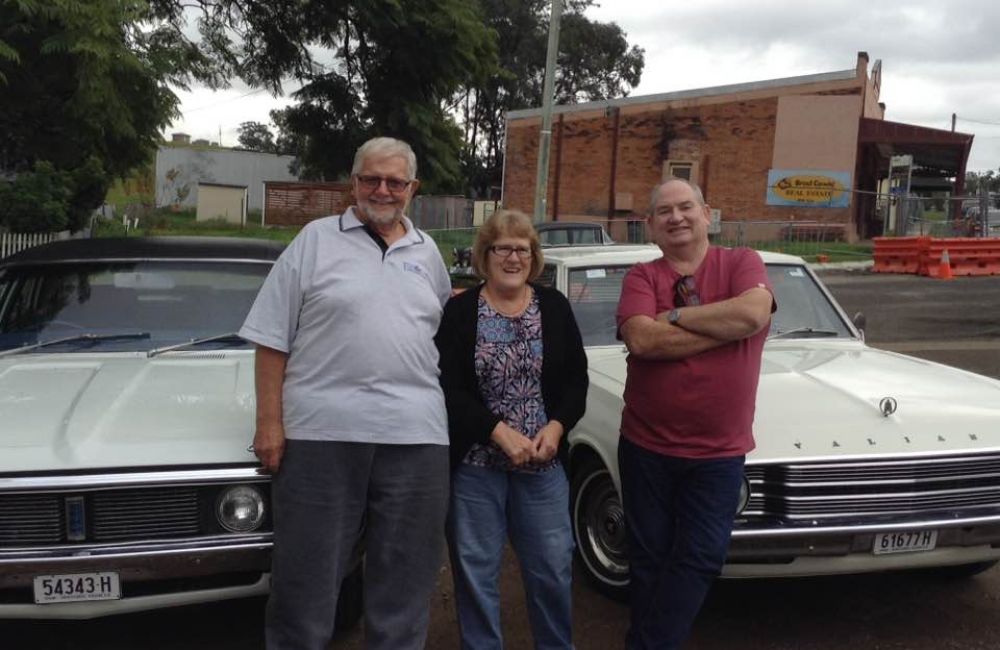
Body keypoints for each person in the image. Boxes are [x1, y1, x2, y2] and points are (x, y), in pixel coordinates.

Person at [239, 137, 453, 650]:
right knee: (306, 578)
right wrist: (269, 423)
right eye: (371, 179)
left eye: (395, 181)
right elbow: (271, 338)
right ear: (353, 183)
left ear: (413, 188)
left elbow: (441, 333)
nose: (382, 190)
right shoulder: (314, 240)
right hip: (321, 435)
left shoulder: (427, 252)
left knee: (405, 577)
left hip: (417, 437)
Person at [615, 178, 775, 649]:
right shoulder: (642, 277)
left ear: (707, 214)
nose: (676, 217)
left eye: (686, 207)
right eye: (664, 211)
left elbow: (752, 314)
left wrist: (674, 316)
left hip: (718, 452)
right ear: (650, 225)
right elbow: (641, 339)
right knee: (648, 558)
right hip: (647, 446)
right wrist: (725, 329)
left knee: (702, 556)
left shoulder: (742, 262)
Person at [435, 209, 588, 650]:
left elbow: (576, 380)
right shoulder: (460, 312)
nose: (513, 258)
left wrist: (556, 428)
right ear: (485, 255)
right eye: (503, 248)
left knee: (552, 568)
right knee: (476, 573)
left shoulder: (553, 307)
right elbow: (447, 387)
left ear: (533, 257)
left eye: (522, 249)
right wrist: (496, 431)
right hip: (476, 467)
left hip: (542, 465)